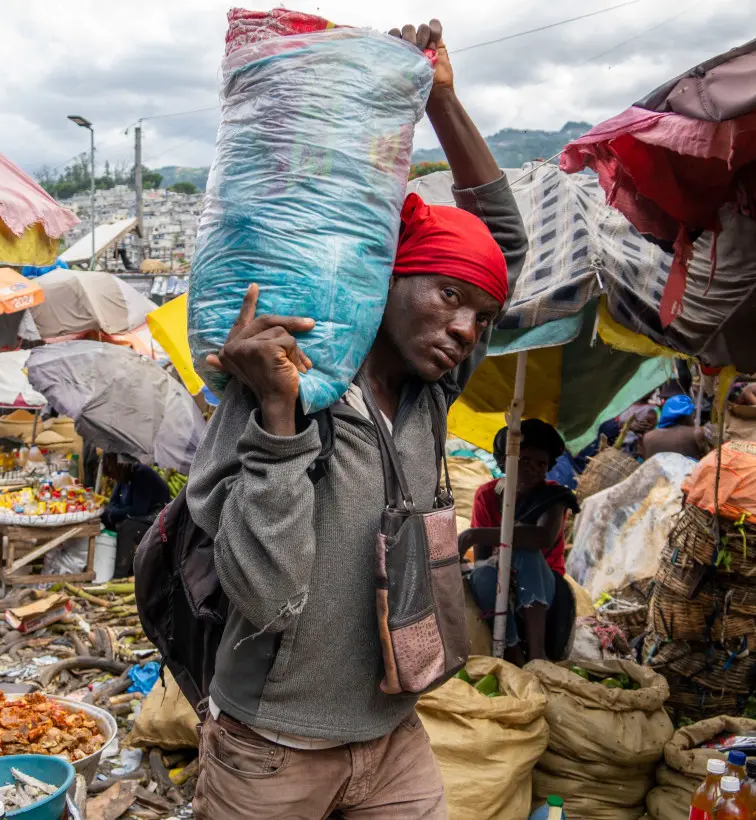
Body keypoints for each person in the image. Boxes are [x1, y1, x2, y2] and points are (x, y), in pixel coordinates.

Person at [185, 20, 527, 819]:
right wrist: (276, 418)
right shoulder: (286, 389)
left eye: (481, 316)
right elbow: (264, 595)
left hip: (394, 732)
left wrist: (442, 96)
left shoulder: (431, 389)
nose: (466, 330)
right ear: (386, 280)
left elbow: (500, 244)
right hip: (273, 750)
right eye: (449, 297)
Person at [459, 420, 577, 665]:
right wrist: (490, 561)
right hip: (499, 580)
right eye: (524, 461)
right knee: (481, 573)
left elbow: (541, 537)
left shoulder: (554, 497)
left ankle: (537, 655)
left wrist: (474, 535)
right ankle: (512, 651)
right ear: (504, 461)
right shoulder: (487, 495)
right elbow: (481, 559)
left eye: (541, 464)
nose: (532, 469)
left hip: (545, 588)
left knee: (524, 552)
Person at [101, 453, 171, 577]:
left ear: (121, 466)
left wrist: (115, 513)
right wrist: (111, 513)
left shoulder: (142, 475)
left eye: (114, 475)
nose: (114, 480)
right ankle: (106, 564)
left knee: (127, 527)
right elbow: (112, 503)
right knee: (104, 517)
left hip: (158, 523)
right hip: (139, 518)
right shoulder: (123, 478)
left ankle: (120, 573)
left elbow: (138, 510)